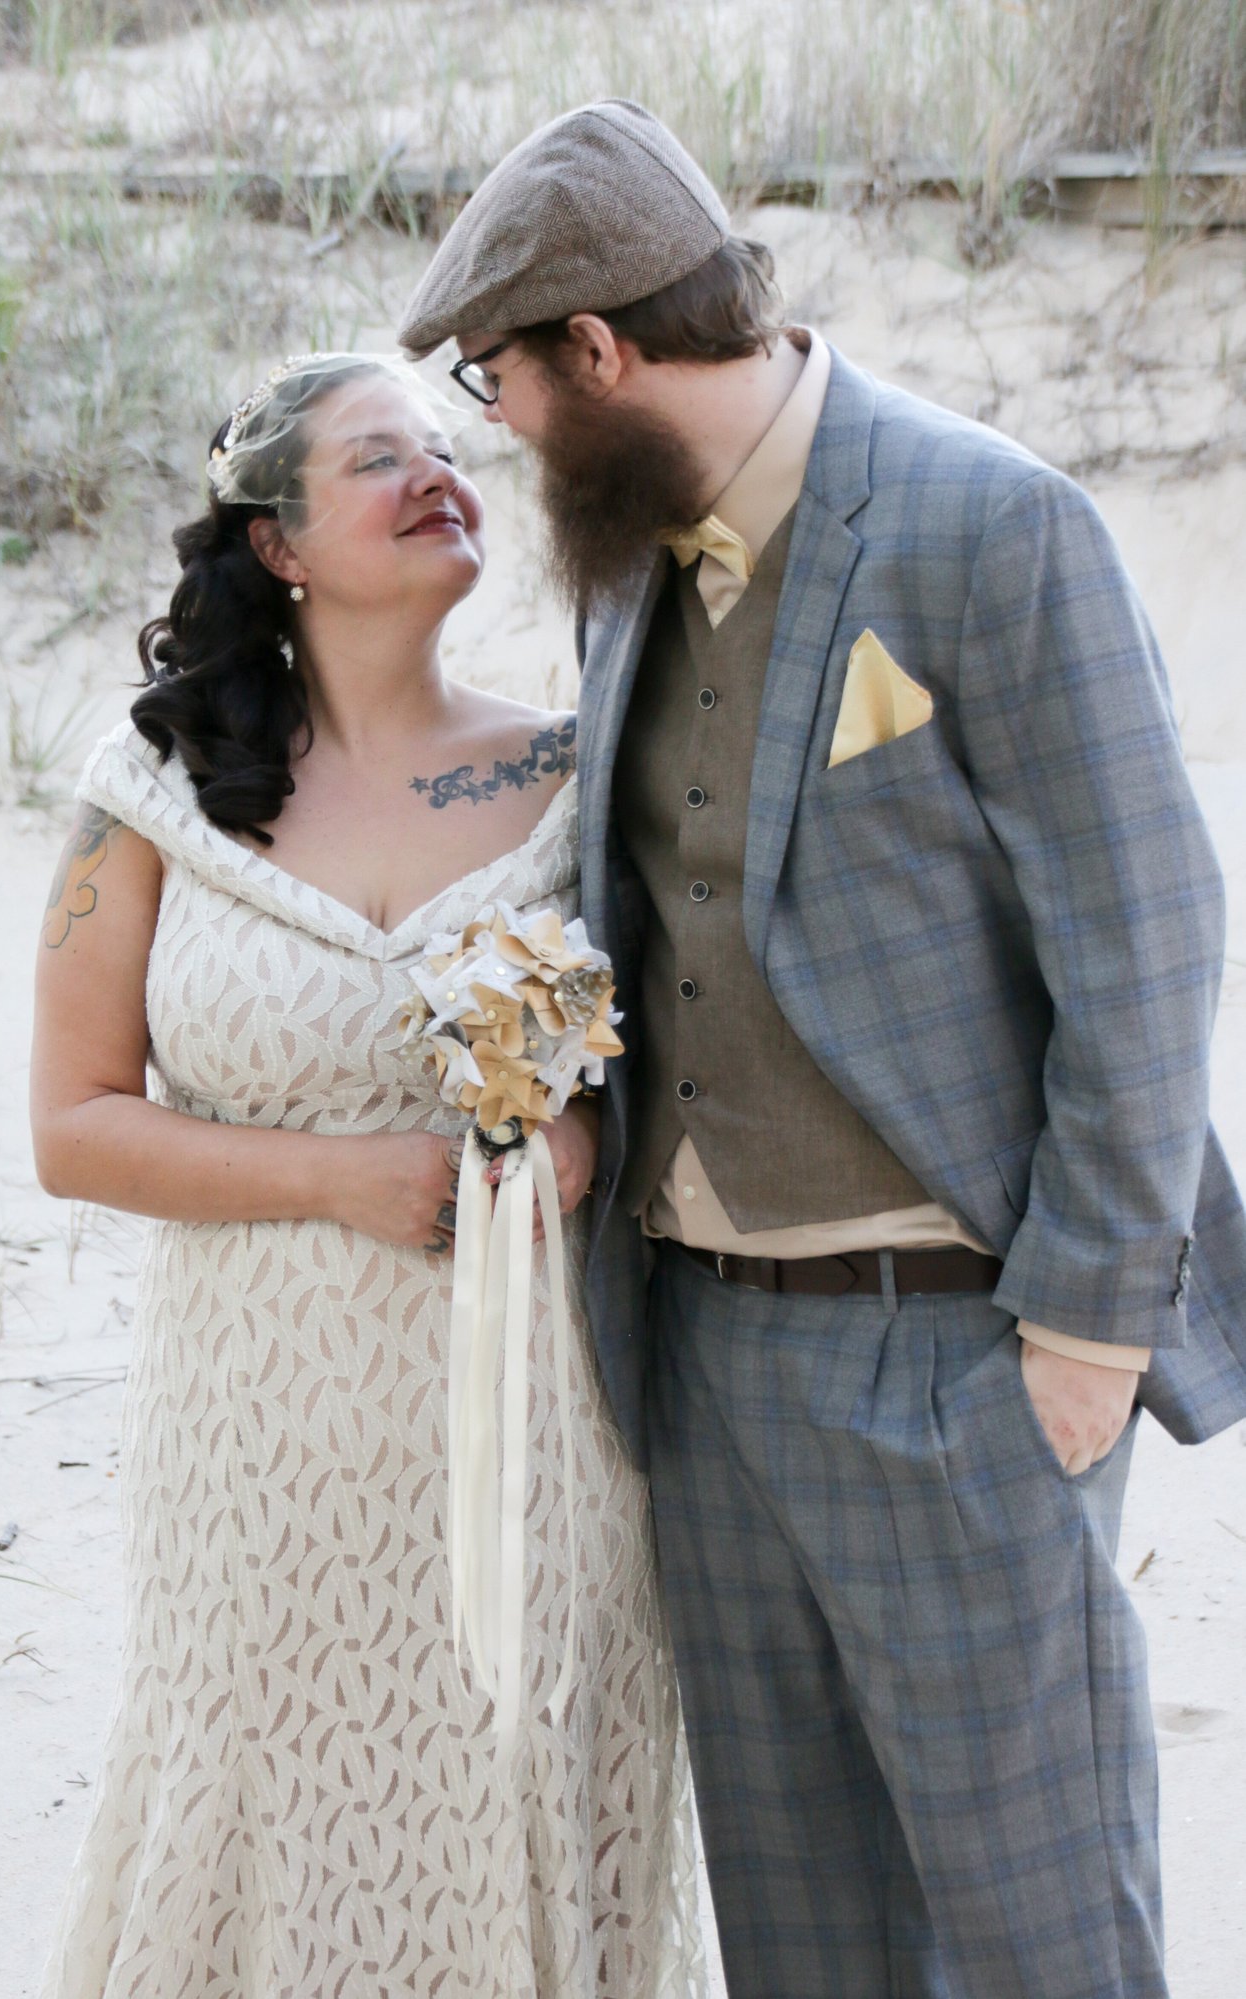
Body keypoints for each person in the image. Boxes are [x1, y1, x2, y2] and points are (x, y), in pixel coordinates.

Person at [398, 101, 1246, 1999]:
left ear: (601, 353)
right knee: (806, 1951)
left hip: (965, 1362)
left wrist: (1088, 1342)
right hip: (707, 1366)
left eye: (502, 377)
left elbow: (1148, 939)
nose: (501, 424)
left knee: (1039, 1940)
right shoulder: (628, 556)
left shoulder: (993, 526)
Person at [30, 352, 704, 1999]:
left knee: (512, 1776)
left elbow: (674, 1071)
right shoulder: (155, 804)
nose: (438, 477)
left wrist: (581, 1137)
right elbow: (73, 1125)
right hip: (262, 1445)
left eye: (454, 452)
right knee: (264, 1795)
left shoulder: (570, 770)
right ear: (280, 546)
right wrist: (341, 1178)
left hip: (530, 1431)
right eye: (378, 460)